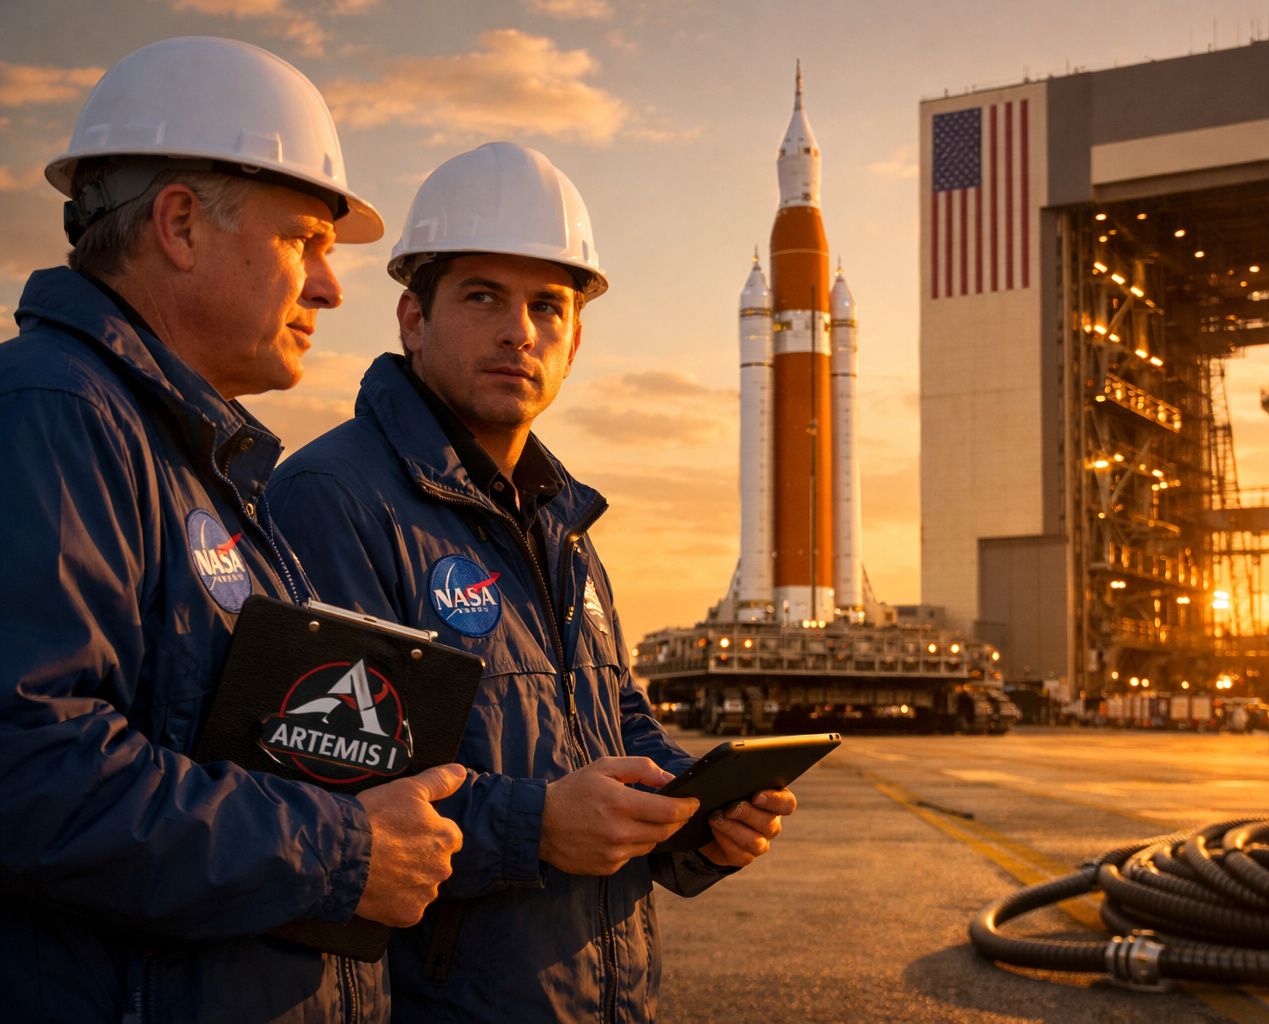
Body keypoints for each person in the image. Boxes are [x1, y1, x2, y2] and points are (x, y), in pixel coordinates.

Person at [267, 142, 797, 1022]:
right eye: (483, 297)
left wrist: (697, 815)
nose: (520, 331)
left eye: (548, 307)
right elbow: (324, 787)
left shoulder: (560, 521)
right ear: (411, 318)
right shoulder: (338, 498)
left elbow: (613, 712)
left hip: (605, 995)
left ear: (575, 341)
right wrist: (537, 824)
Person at [0, 38, 467, 1022]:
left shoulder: (198, 462)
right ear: (179, 223)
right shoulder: (57, 417)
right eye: (305, 241)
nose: (335, 290)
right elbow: (29, 772)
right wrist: (344, 850)